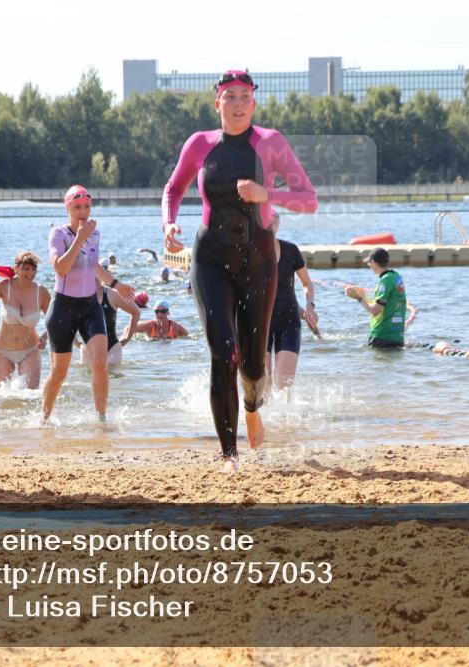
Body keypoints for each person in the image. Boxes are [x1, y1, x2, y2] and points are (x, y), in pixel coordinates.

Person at [163, 69, 318, 471]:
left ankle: (252, 406)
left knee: (252, 365)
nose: (236, 104)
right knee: (223, 352)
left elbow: (308, 200)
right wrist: (169, 222)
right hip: (210, 257)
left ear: (254, 102)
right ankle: (229, 453)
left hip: (259, 259)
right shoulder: (200, 144)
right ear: (217, 102)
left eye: (244, 97)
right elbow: (173, 188)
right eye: (229, 96)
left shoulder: (271, 143)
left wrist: (267, 193)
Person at [42, 185, 120, 423]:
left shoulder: (94, 233)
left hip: (90, 307)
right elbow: (60, 268)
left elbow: (93, 265)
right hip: (63, 308)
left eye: (86, 206)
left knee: (100, 362)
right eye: (77, 207)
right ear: (68, 208)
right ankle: (43, 418)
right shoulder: (58, 234)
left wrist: (115, 283)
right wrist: (79, 238)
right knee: (59, 372)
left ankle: (101, 418)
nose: (83, 211)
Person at [0, 252, 50, 388]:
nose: (31, 272)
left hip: (30, 350)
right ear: (16, 268)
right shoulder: (4, 286)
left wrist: (46, 336)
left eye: (34, 269)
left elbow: (54, 319)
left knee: (31, 397)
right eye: (26, 268)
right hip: (2, 350)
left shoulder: (41, 292)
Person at [265, 211, 317, 394]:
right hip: (259, 323)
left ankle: (286, 422)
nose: (272, 226)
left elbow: (307, 283)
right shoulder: (251, 252)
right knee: (265, 381)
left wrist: (310, 305)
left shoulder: (290, 250)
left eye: (276, 222)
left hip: (288, 320)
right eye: (269, 221)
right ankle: (264, 419)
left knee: (284, 381)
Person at [345, 247, 406, 349]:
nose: (369, 266)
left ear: (373, 262)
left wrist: (358, 298)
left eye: (369, 263)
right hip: (397, 337)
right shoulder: (396, 277)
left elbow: (375, 311)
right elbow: (386, 306)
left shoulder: (385, 280)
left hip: (382, 336)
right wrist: (364, 296)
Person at [78, 281, 140, 367]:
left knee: (114, 378)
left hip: (112, 348)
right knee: (86, 378)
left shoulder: (112, 295)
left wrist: (127, 337)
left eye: (96, 273)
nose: (93, 277)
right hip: (88, 348)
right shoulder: (78, 296)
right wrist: (75, 342)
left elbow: (136, 312)